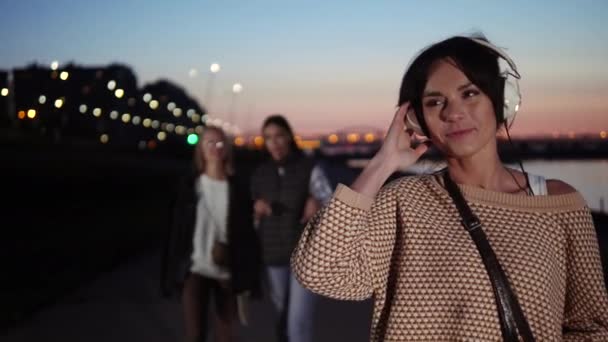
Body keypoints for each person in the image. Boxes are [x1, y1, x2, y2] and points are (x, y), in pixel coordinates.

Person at [292, 34, 608, 341]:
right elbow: (319, 271)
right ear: (417, 120)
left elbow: (592, 326)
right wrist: (382, 163)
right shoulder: (404, 202)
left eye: (469, 93)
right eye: (434, 102)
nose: (452, 112)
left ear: (502, 101)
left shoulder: (559, 204)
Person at [161, 126, 261, 342]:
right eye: (209, 143)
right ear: (201, 149)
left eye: (219, 143)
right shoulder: (189, 186)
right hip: (195, 269)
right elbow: (176, 233)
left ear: (226, 149)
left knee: (225, 337)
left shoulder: (238, 188)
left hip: (227, 271)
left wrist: (250, 278)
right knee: (195, 335)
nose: (215, 148)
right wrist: (170, 274)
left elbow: (247, 235)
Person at [251, 114, 333, 342]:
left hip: (305, 259)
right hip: (273, 256)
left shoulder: (309, 168)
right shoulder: (260, 174)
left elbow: (335, 209)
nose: (274, 143)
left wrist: (317, 203)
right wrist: (255, 210)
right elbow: (251, 222)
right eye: (268, 138)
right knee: (284, 318)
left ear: (289, 137)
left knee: (298, 324)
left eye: (279, 136)